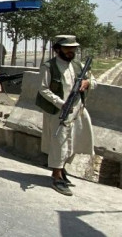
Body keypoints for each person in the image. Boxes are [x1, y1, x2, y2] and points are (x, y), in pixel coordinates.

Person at [36, 35, 96, 197]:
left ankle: (62, 170)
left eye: (73, 48)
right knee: (59, 142)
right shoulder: (49, 66)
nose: (71, 51)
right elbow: (43, 89)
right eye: (67, 48)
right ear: (57, 49)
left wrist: (87, 83)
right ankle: (56, 176)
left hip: (78, 109)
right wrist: (61, 103)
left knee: (74, 140)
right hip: (59, 111)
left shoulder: (78, 65)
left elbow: (93, 80)